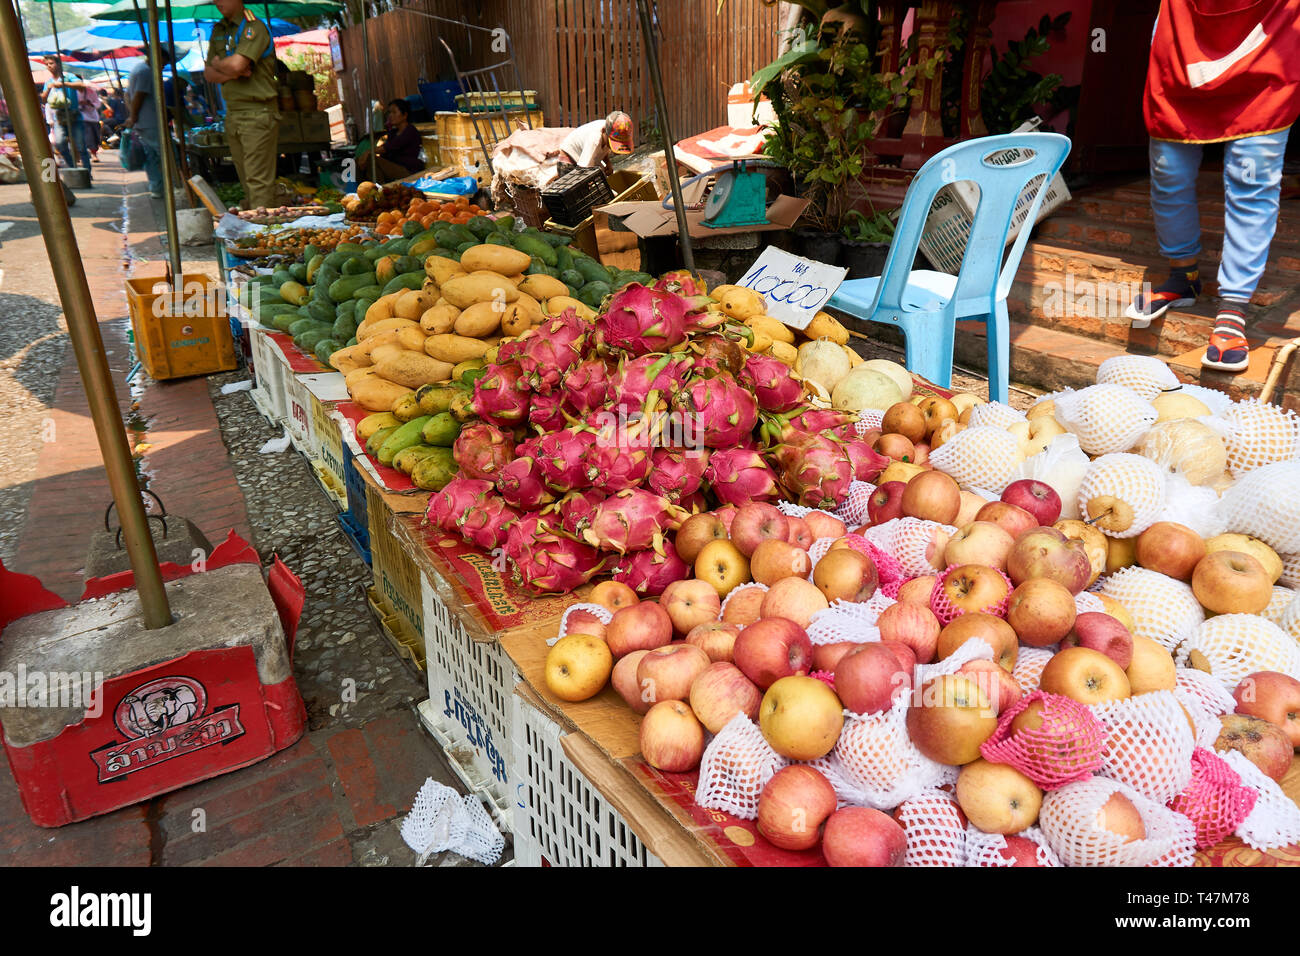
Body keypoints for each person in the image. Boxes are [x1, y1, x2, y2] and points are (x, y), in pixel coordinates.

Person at [1126, 0, 1300, 373]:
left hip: (1269, 35)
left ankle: (1233, 307)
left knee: (1250, 183)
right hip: (1184, 31)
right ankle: (1184, 277)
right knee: (1167, 171)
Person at [204, 0, 280, 209]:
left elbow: (236, 65)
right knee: (247, 180)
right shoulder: (218, 29)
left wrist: (222, 65)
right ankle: (259, 230)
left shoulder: (253, 26)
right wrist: (232, 71)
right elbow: (209, 74)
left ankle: (264, 234)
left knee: (258, 183)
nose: (217, 1)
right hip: (233, 113)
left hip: (257, 112)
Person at [40, 55, 93, 181]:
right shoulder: (48, 82)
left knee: (81, 146)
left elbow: (81, 86)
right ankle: (73, 167)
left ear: (58, 64)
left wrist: (64, 84)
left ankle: (87, 172)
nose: (49, 66)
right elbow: (43, 99)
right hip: (59, 117)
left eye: (51, 63)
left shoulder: (68, 76)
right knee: (60, 144)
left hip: (74, 115)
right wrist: (47, 90)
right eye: (47, 64)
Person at [125, 50, 169, 198]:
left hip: (143, 122)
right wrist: (133, 115)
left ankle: (156, 187)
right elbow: (139, 95)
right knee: (164, 155)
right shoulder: (146, 72)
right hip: (150, 121)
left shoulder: (138, 69)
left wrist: (133, 116)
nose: (163, 67)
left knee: (152, 157)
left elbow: (127, 95)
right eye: (164, 63)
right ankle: (169, 187)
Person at [356, 99, 424, 182]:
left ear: (405, 115)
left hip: (408, 171)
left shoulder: (410, 131)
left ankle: (379, 190)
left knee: (371, 159)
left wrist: (368, 152)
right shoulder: (393, 132)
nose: (390, 116)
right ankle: (363, 189)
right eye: (389, 113)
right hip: (393, 168)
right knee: (357, 161)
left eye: (394, 112)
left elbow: (389, 147)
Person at [558, 111, 634, 176]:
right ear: (604, 131)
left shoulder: (612, 129)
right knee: (579, 190)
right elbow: (584, 168)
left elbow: (604, 149)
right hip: (569, 160)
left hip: (583, 159)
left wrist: (608, 163)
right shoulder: (594, 139)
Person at [79, 80, 101, 161]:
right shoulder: (73, 92)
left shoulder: (91, 92)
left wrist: (89, 103)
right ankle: (84, 155)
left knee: (94, 137)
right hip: (80, 117)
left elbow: (98, 104)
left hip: (93, 117)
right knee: (86, 137)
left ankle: (94, 154)